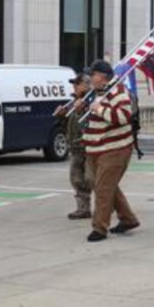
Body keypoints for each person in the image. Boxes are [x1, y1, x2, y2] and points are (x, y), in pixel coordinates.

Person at [82, 60, 140, 242]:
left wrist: (99, 109)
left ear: (103, 77)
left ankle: (99, 228)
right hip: (95, 148)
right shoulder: (97, 92)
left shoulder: (118, 91)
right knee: (103, 185)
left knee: (103, 188)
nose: (90, 78)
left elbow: (123, 116)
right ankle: (128, 219)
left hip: (114, 149)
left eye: (93, 74)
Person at [55, 73, 93, 220]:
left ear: (86, 85)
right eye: (74, 84)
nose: (74, 87)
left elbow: (87, 125)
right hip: (76, 147)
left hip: (88, 146)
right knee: (77, 179)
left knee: (94, 179)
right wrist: (62, 115)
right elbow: (68, 126)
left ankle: (113, 205)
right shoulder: (73, 102)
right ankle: (83, 208)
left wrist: (79, 111)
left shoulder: (91, 102)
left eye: (77, 84)